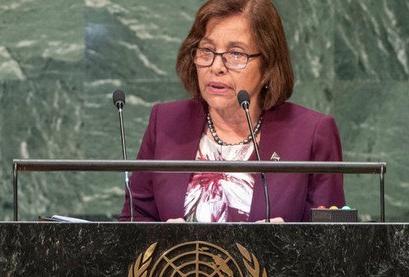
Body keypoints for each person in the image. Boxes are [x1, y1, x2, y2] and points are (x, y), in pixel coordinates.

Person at [119, 0, 345, 222]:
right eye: (207, 50)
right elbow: (134, 220)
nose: (216, 67)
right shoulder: (166, 121)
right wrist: (164, 241)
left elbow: (334, 243)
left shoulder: (312, 133)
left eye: (236, 54)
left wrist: (284, 247)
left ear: (267, 66)